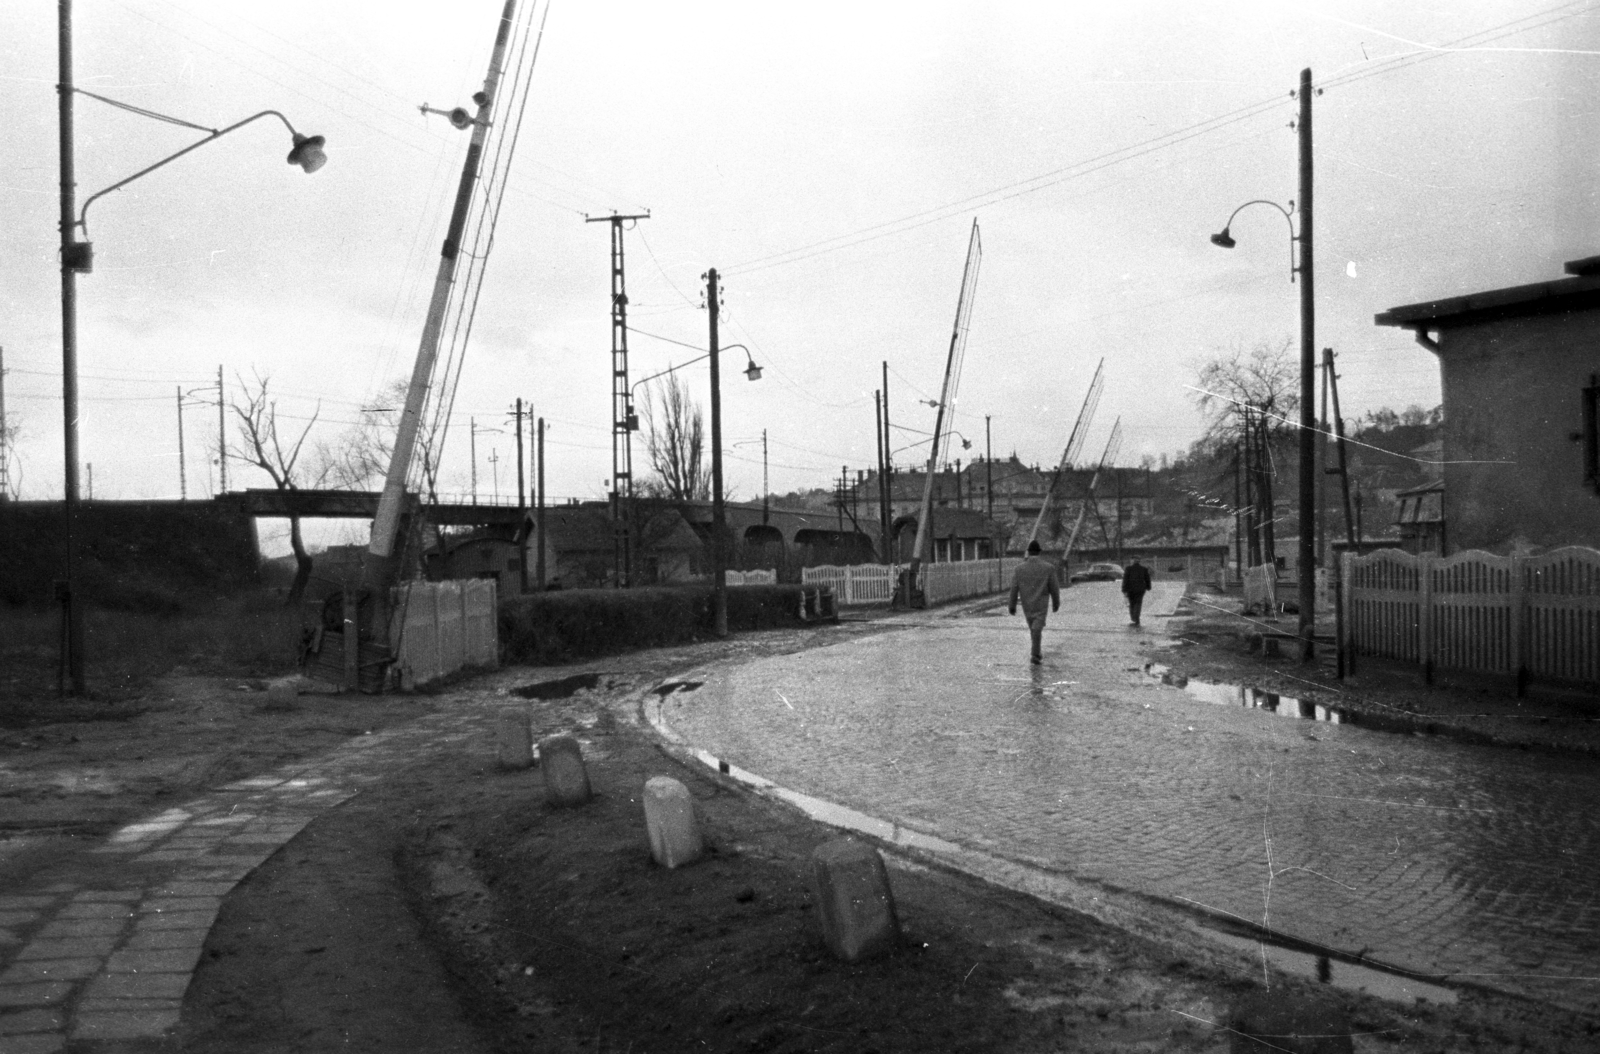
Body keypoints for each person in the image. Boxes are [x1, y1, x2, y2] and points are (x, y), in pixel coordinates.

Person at [1008, 540, 1061, 665]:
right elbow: (1054, 588)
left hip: (1027, 604)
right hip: (1041, 604)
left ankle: (1035, 653)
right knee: (1036, 629)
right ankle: (1036, 654)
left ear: (1028, 552)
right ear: (1039, 552)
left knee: (1034, 628)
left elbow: (1014, 588)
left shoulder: (1019, 569)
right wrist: (1056, 603)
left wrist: (1012, 605)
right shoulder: (1048, 568)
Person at [1121, 556, 1153, 626]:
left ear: (1132, 561)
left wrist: (1124, 589)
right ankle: (1137, 617)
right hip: (1140, 589)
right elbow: (1147, 579)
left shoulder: (1128, 569)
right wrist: (1148, 587)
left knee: (1131, 604)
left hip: (1130, 589)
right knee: (1138, 603)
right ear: (1139, 561)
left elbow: (1125, 580)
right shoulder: (1143, 569)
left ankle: (1133, 618)